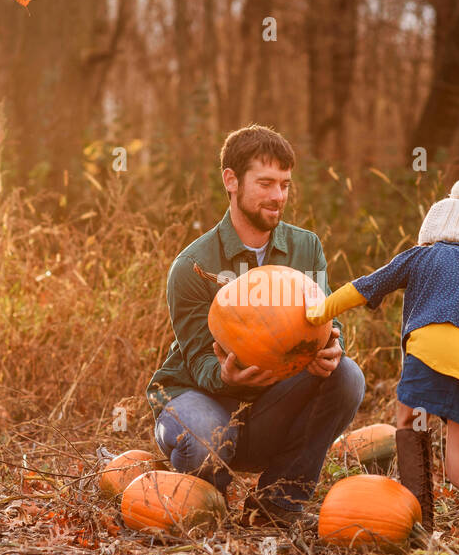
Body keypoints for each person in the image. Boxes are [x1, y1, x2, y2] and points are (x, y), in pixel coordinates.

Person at [146, 125, 365, 528]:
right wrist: (226, 373)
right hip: (199, 397)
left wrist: (331, 350)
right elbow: (199, 362)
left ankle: (275, 506)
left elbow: (324, 319)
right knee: (203, 441)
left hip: (270, 406)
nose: (278, 196)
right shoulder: (191, 266)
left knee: (347, 376)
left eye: (284, 184)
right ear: (231, 180)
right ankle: (206, 506)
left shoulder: (305, 247)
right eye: (265, 183)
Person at [305, 176, 459, 531]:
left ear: (431, 228)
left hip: (430, 355)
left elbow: (364, 287)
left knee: (410, 426)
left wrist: (319, 313)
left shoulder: (421, 255)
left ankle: (420, 527)